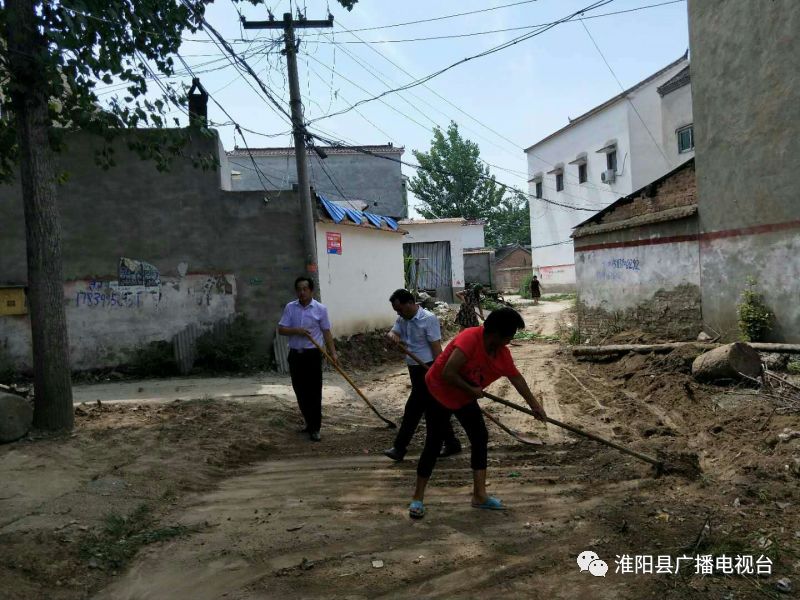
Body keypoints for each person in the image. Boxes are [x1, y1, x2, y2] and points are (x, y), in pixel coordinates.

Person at [407, 307, 547, 519]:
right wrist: (472, 390)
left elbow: (516, 379)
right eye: (510, 335)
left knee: (480, 437)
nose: (511, 340)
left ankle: (479, 496)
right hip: (438, 390)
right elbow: (448, 372)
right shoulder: (470, 338)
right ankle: (417, 498)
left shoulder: (502, 354)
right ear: (498, 334)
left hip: (463, 396)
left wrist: (534, 405)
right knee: (434, 443)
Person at [383, 289, 461, 462]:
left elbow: (436, 347)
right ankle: (452, 442)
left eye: (400, 309)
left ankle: (399, 448)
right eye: (396, 310)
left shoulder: (428, 318)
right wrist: (392, 336)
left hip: (428, 368)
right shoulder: (402, 319)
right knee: (433, 409)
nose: (398, 313)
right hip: (414, 369)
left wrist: (440, 372)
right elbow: (394, 332)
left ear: (410, 303)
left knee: (413, 409)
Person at [277, 276, 338, 442]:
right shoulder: (290, 308)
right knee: (300, 391)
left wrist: (333, 353)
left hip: (312, 355)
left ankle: (315, 428)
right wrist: (297, 330)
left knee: (314, 392)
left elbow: (326, 332)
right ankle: (308, 422)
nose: (301, 292)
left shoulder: (320, 309)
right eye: (299, 289)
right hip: (296, 355)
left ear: (311, 290)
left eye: (305, 289)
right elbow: (281, 329)